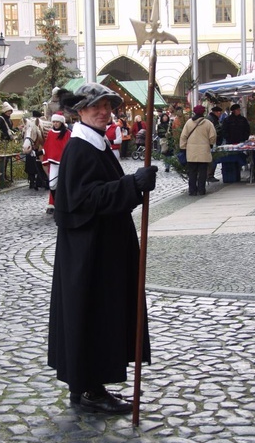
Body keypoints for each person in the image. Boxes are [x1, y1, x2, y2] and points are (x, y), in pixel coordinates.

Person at [48, 82, 158, 414]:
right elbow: (86, 198)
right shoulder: (81, 147)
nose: (103, 111)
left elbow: (98, 191)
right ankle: (89, 391)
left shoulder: (94, 143)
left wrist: (130, 186)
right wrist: (132, 184)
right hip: (89, 254)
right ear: (79, 111)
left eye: (107, 106)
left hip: (97, 250)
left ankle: (86, 385)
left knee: (92, 315)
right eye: (95, 106)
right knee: (90, 314)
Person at [179, 104, 217, 196]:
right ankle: (201, 190)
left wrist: (183, 148)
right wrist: (210, 144)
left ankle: (192, 190)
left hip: (191, 152)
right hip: (203, 151)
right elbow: (213, 136)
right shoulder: (208, 123)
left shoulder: (189, 123)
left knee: (192, 172)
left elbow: (183, 136)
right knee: (203, 172)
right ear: (203, 112)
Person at [40, 112, 71, 213]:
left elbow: (70, 147)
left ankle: (66, 204)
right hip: (53, 163)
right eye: (54, 122)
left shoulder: (67, 133)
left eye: (57, 122)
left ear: (61, 122)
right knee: (52, 184)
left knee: (67, 184)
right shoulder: (50, 133)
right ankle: (56, 203)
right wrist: (39, 152)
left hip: (65, 164)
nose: (55, 124)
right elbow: (48, 147)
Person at [206, 106, 223, 182]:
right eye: (219, 112)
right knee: (212, 159)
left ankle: (210, 175)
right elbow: (213, 132)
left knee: (213, 159)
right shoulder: (211, 119)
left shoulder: (212, 118)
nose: (220, 114)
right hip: (212, 143)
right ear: (216, 112)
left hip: (213, 142)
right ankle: (210, 175)